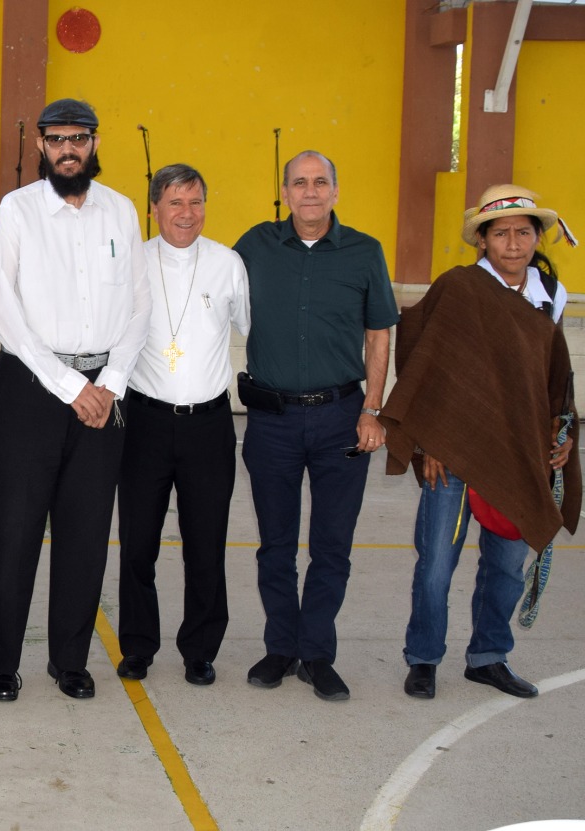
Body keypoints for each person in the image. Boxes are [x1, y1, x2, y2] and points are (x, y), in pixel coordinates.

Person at [0, 98, 151, 702]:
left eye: (78, 138)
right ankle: (1, 663)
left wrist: (111, 382)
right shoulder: (18, 209)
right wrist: (72, 386)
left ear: (95, 143)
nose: (67, 149)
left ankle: (70, 661)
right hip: (32, 389)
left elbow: (139, 305)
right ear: (41, 147)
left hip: (104, 394)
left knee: (86, 533)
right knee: (17, 531)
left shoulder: (121, 211)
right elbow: (3, 307)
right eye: (56, 139)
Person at [382, 185, 580, 700]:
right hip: (451, 454)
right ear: (483, 241)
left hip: (520, 452)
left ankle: (489, 657)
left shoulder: (549, 295)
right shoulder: (460, 288)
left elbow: (554, 375)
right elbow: (423, 356)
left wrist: (562, 431)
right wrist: (429, 439)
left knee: (506, 568)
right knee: (436, 565)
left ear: (537, 238)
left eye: (523, 232)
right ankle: (423, 658)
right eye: (501, 233)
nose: (513, 243)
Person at [233, 150, 399, 702]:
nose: (310, 191)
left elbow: (379, 334)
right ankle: (281, 647)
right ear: (285, 192)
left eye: (320, 181)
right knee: (275, 544)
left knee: (332, 546)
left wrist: (373, 410)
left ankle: (317, 654)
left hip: (341, 419)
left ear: (335, 191)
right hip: (272, 420)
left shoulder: (365, 252)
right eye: (300, 182)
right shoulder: (253, 247)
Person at [115, 164, 249, 687]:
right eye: (175, 202)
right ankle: (137, 646)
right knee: (138, 543)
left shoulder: (227, 264)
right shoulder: (134, 261)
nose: (186, 213)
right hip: (145, 422)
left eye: (195, 202)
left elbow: (251, 327)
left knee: (206, 544)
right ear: (154, 208)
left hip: (208, 425)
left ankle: (200, 649)